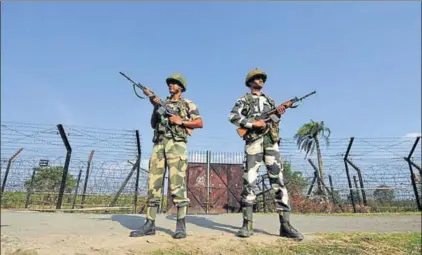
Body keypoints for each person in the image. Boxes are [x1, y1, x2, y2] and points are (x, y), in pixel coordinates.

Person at [228, 68, 303, 241]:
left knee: (279, 182)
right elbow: (233, 116)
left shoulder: (269, 100)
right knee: (250, 181)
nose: (260, 79)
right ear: (250, 81)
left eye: (262, 78)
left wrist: (279, 112)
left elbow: (273, 121)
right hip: (254, 143)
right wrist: (253, 123)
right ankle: (247, 225)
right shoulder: (244, 99)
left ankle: (285, 225)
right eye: (257, 78)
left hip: (271, 143)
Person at [130, 73, 203, 239]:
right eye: (170, 83)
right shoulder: (163, 102)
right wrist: (155, 106)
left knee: (177, 185)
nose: (171, 85)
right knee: (153, 184)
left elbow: (199, 123)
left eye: (174, 83)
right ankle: (149, 223)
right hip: (159, 144)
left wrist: (181, 121)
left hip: (176, 145)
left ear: (181, 87)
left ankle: (180, 225)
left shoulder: (188, 104)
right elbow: (153, 124)